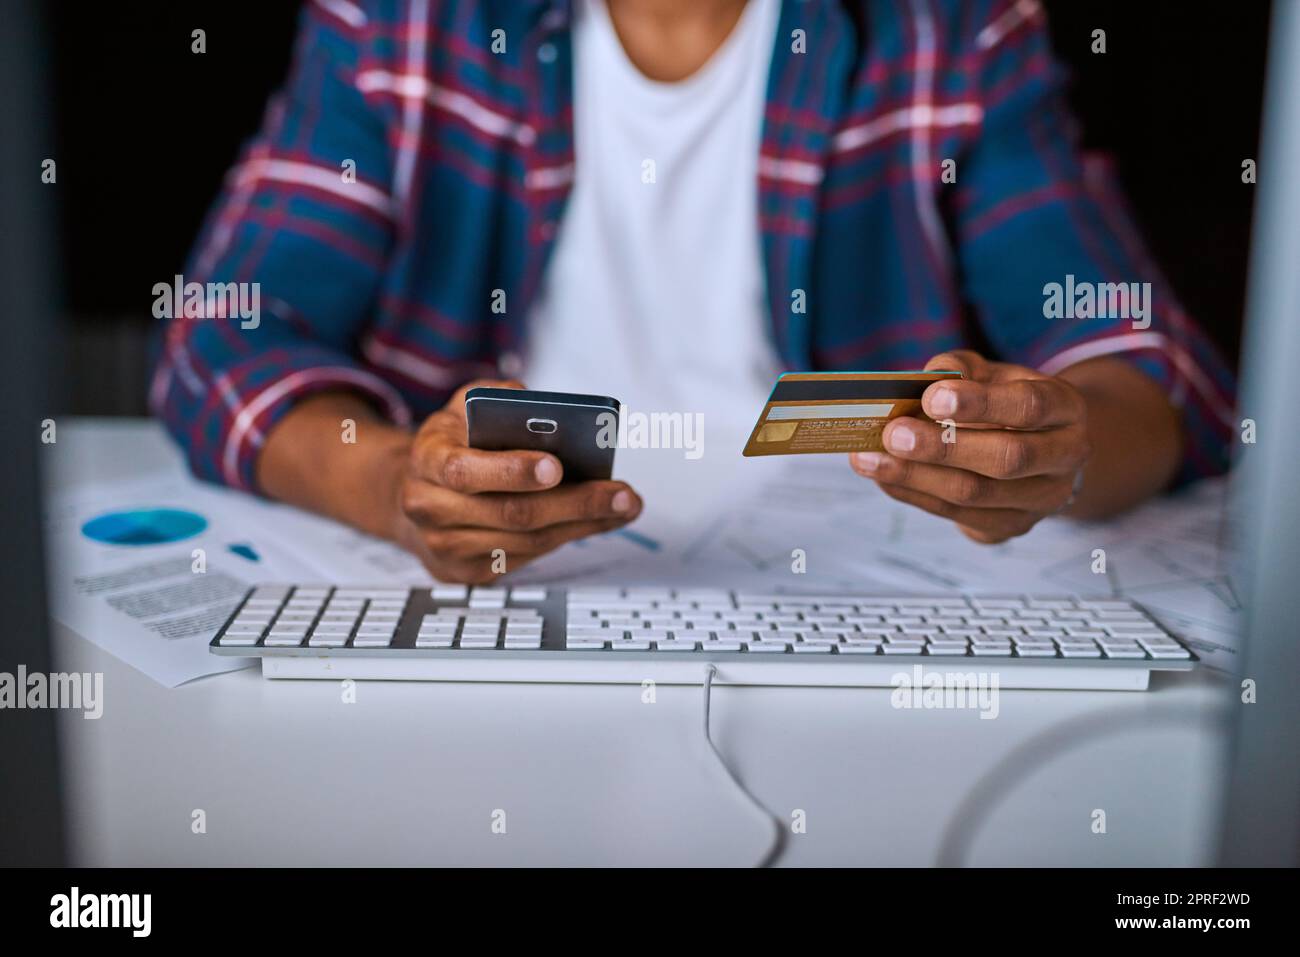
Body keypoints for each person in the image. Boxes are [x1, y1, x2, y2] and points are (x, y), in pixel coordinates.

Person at [151, 0, 1235, 584]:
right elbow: (220, 339)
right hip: (522, 590)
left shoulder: (953, 32)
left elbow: (1148, 367)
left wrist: (1049, 451)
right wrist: (394, 485)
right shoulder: (397, 22)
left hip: (846, 586)